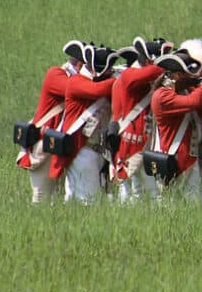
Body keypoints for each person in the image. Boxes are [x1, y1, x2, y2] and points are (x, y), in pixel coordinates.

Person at [16, 40, 85, 203]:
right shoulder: (56, 74)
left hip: (58, 144)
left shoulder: (74, 78)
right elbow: (75, 90)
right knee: (41, 197)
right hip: (43, 143)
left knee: (58, 197)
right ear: (81, 63)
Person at [50, 43, 119, 204]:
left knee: (77, 199)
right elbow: (98, 90)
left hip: (95, 151)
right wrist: (120, 80)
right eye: (109, 69)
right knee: (88, 202)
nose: (111, 72)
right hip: (82, 151)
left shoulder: (97, 81)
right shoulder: (76, 82)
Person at [110, 37, 173, 203]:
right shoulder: (130, 75)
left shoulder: (143, 77)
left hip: (140, 138)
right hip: (132, 139)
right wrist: (163, 65)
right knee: (140, 189)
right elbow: (147, 74)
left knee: (139, 189)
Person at [150, 43, 202, 200]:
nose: (191, 77)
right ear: (176, 76)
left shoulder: (180, 90)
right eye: (186, 74)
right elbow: (193, 101)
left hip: (188, 159)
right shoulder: (162, 96)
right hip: (174, 160)